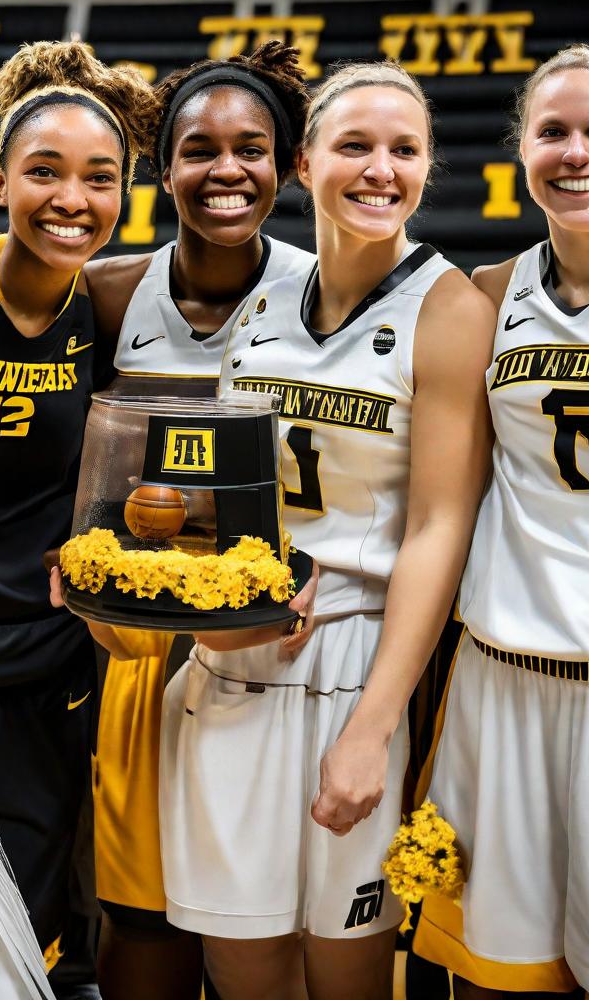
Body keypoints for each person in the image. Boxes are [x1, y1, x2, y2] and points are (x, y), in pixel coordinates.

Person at [158, 61, 496, 1000]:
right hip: (233, 655)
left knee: (345, 968)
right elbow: (225, 492)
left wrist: (370, 730)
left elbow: (438, 527)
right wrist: (167, 582)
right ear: (305, 164)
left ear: (430, 168)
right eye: (355, 146)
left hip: (356, 663)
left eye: (404, 150)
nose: (380, 169)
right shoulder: (263, 298)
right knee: (242, 961)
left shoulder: (450, 308)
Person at [0, 39, 156, 958]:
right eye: (43, 172)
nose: (71, 200)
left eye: (99, 177)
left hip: (53, 660)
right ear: (1, 179)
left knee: (28, 925)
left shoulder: (119, 302)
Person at [81, 43, 314, 1000]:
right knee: (143, 925)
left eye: (250, 149)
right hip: (139, 651)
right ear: (163, 167)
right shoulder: (106, 293)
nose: (226, 171)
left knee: (270, 935)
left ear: (287, 164)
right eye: (199, 150)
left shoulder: (326, 291)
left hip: (282, 652)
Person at [415, 45, 589, 1000]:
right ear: (520, 148)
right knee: (495, 977)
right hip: (505, 675)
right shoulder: (486, 296)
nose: (574, 152)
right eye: (553, 131)